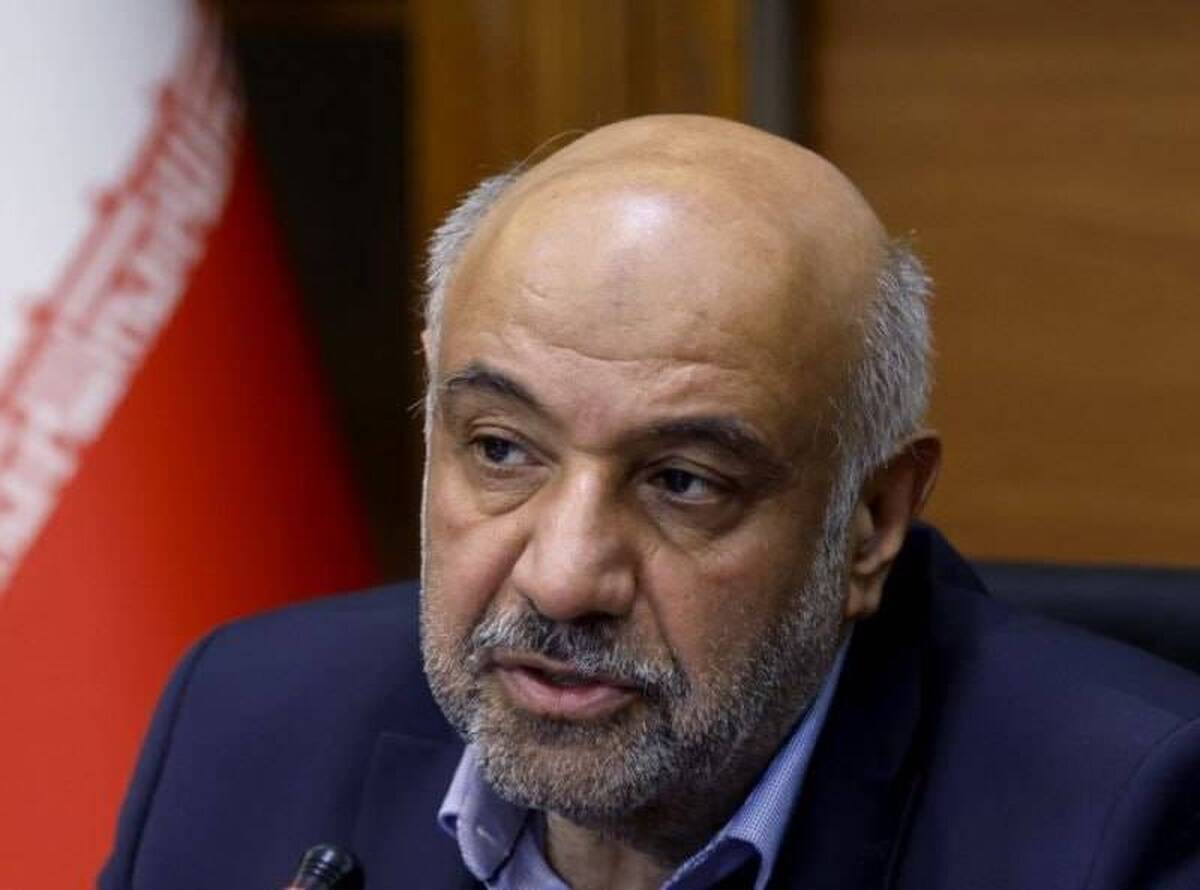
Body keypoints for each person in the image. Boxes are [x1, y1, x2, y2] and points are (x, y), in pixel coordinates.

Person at [100, 115, 1200, 890]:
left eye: (682, 481)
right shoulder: (247, 719)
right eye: (501, 449)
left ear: (868, 523)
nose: (563, 577)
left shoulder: (1125, 827)